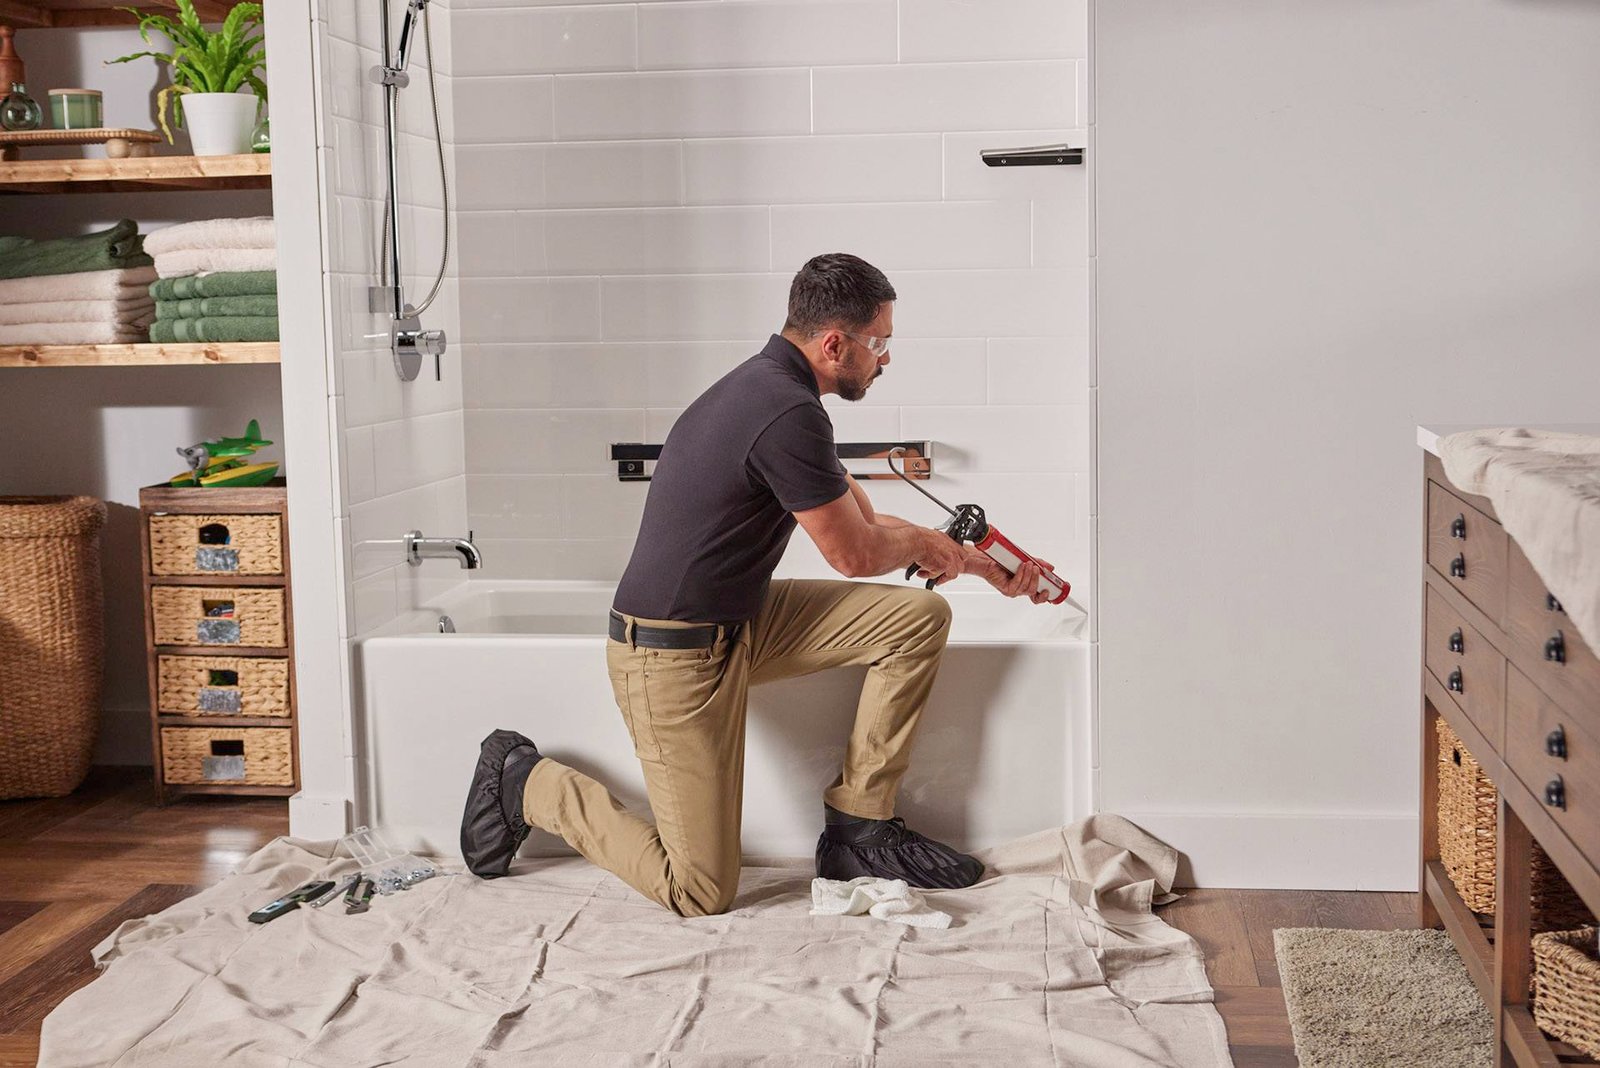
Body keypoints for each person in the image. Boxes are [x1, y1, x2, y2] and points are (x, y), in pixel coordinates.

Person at [460, 253, 1058, 917]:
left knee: (914, 619)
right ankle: (526, 782)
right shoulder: (784, 411)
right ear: (835, 344)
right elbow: (855, 555)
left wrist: (985, 569)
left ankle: (860, 828)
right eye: (879, 343)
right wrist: (925, 546)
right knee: (700, 891)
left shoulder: (777, 393)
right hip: (670, 655)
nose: (884, 359)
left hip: (739, 621)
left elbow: (863, 518)